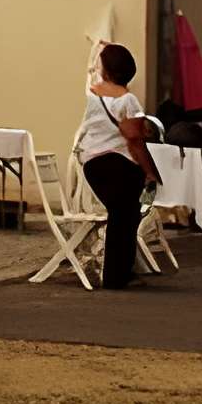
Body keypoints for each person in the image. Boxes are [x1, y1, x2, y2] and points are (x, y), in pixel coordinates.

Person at [79, 42, 157, 290]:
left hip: (92, 164)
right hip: (117, 163)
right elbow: (135, 140)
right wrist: (149, 172)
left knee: (120, 214)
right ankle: (117, 275)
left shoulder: (92, 95)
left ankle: (117, 274)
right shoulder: (128, 100)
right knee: (127, 215)